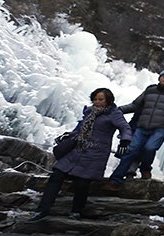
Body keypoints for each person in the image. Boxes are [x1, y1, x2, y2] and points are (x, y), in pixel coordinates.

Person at [30, 88, 132, 221]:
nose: (97, 102)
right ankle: (42, 210)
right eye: (95, 99)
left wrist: (124, 141)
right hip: (77, 151)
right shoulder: (89, 112)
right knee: (56, 175)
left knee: (83, 183)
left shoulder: (114, 113)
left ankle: (76, 211)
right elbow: (79, 129)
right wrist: (68, 136)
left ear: (108, 100)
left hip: (96, 154)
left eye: (100, 99)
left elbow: (125, 127)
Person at [108, 69, 164, 185]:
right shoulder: (150, 91)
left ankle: (145, 168)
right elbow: (135, 105)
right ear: (159, 78)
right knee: (131, 151)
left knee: (149, 148)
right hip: (142, 127)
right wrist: (119, 110)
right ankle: (115, 179)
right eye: (163, 76)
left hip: (161, 128)